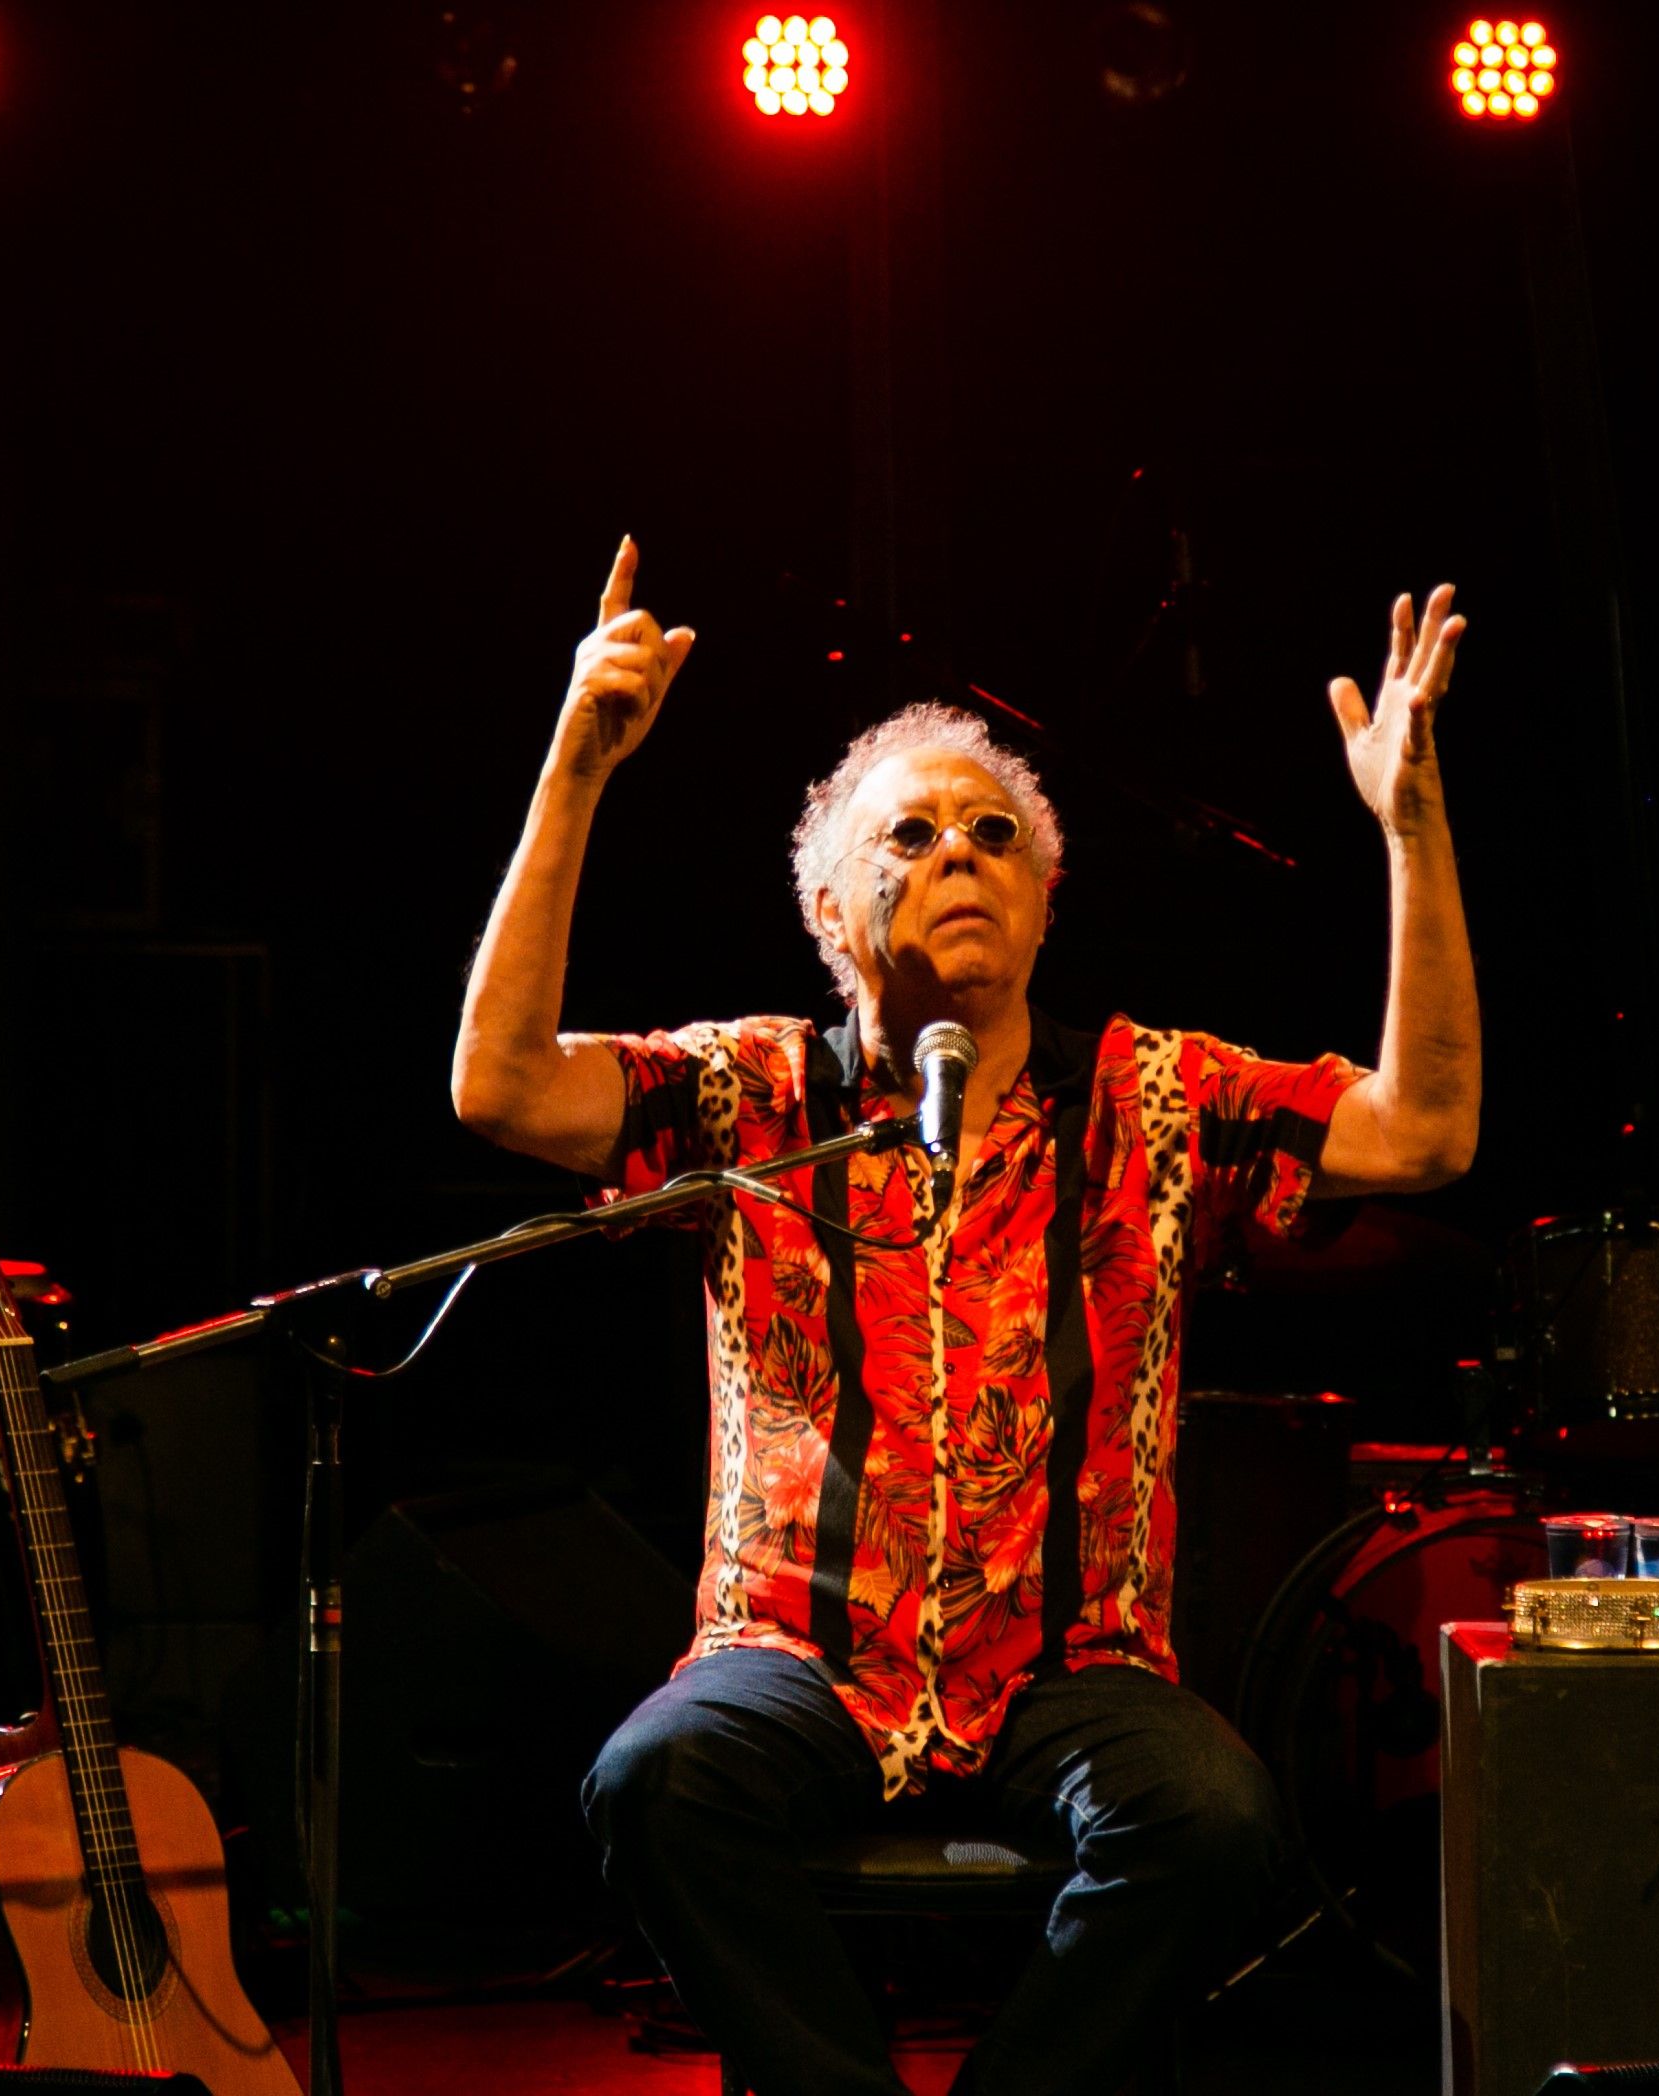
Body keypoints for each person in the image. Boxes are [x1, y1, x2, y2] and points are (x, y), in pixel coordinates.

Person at [451, 537, 1479, 2096]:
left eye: (995, 835)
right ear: (822, 902)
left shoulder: (1154, 1095)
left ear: (1046, 900)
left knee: (1214, 1822)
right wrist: (577, 767)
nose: (959, 854)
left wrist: (1410, 825)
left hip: (1075, 1662)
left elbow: (1423, 1134)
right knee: (653, 1781)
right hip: (789, 1652)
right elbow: (502, 1085)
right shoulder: (756, 1096)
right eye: (912, 834)